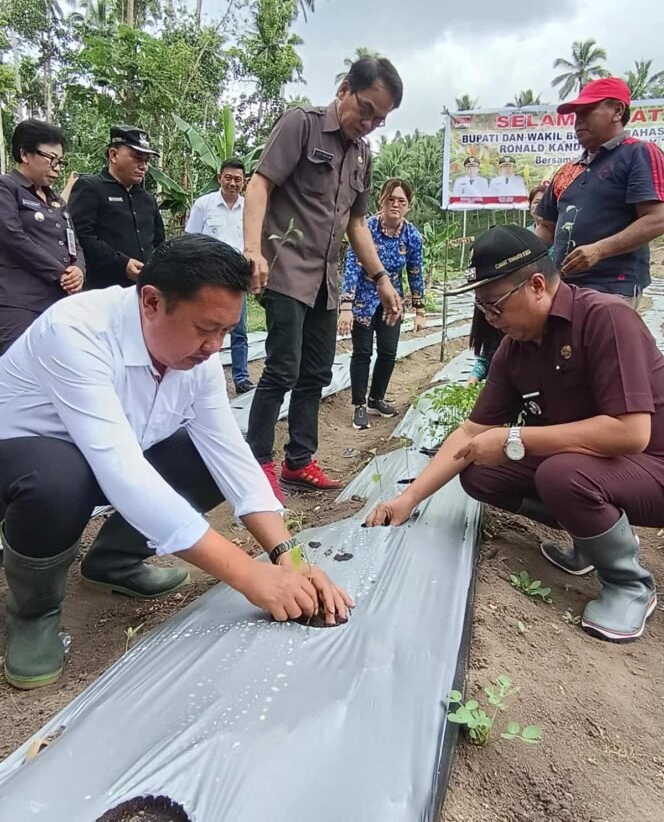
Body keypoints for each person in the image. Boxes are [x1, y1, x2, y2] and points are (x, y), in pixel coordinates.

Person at [0, 235, 352, 690]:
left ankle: (113, 562)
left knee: (205, 459)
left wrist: (291, 558)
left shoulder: (195, 359)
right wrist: (249, 576)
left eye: (225, 332)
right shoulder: (76, 332)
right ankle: (33, 613)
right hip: (23, 462)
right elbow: (122, 472)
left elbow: (231, 458)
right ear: (151, 302)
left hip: (103, 462)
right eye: (205, 329)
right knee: (56, 477)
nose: (213, 347)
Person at [366, 225, 663, 644]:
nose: (489, 318)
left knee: (559, 474)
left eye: (494, 305)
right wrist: (408, 498)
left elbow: (631, 433)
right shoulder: (515, 347)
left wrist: (514, 438)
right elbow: (472, 430)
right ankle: (595, 537)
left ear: (537, 285)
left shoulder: (605, 319)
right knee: (479, 472)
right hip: (596, 466)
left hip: (652, 465)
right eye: (482, 307)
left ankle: (629, 583)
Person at [243, 56, 404, 501]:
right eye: (366, 109)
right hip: (285, 270)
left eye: (380, 119)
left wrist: (381, 278)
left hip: (326, 280)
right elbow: (260, 185)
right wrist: (253, 250)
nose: (369, 123)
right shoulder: (302, 125)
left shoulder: (363, 155)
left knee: (315, 372)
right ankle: (257, 464)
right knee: (282, 369)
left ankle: (299, 461)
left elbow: (357, 224)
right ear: (344, 91)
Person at [536, 77, 664, 306]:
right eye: (576, 114)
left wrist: (599, 250)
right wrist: (508, 253)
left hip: (613, 289)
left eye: (587, 111)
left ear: (617, 111)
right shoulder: (568, 170)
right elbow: (546, 228)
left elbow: (657, 218)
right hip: (563, 288)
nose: (578, 121)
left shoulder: (639, 153)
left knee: (605, 341)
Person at [339, 177, 425, 429]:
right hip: (363, 302)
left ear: (408, 205)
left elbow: (415, 272)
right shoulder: (365, 229)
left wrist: (420, 310)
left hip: (392, 303)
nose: (395, 205)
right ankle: (359, 405)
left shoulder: (412, 237)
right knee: (362, 352)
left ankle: (376, 398)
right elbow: (353, 266)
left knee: (388, 352)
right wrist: (346, 306)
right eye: (391, 199)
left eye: (401, 201)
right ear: (381, 200)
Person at [0, 120, 85, 355]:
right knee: (14, 368)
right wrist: (60, 272)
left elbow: (73, 240)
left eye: (60, 161)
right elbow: (11, 236)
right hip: (20, 302)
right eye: (51, 159)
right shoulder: (7, 188)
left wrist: (78, 269)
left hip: (58, 302)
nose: (57, 168)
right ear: (25, 154)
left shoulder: (56, 199)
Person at [186, 159, 254, 394]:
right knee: (203, 328)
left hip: (237, 278)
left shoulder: (250, 208)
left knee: (239, 329)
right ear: (219, 178)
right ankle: (200, 378)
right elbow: (191, 239)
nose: (233, 183)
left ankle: (241, 377)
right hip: (208, 278)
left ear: (244, 183)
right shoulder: (204, 205)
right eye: (229, 178)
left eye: (238, 179)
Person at [68, 125, 165, 290]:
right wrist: (122, 264)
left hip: (143, 289)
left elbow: (158, 241)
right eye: (137, 158)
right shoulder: (91, 187)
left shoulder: (147, 199)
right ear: (113, 155)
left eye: (146, 161)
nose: (144, 166)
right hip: (102, 289)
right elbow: (82, 236)